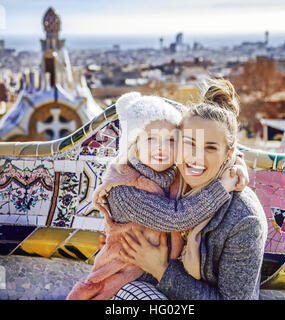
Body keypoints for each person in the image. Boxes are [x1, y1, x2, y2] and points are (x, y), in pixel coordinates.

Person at [67, 91, 248, 300]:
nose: (161, 148)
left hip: (162, 283)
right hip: (120, 283)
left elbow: (213, 147)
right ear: (135, 143)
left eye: (171, 140)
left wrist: (235, 163)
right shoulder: (124, 189)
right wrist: (223, 186)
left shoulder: (175, 175)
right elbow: (176, 218)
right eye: (152, 139)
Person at [112, 79, 268, 300]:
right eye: (189, 143)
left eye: (210, 147)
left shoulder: (243, 219)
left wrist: (161, 270)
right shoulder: (169, 179)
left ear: (227, 153)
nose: (196, 156)